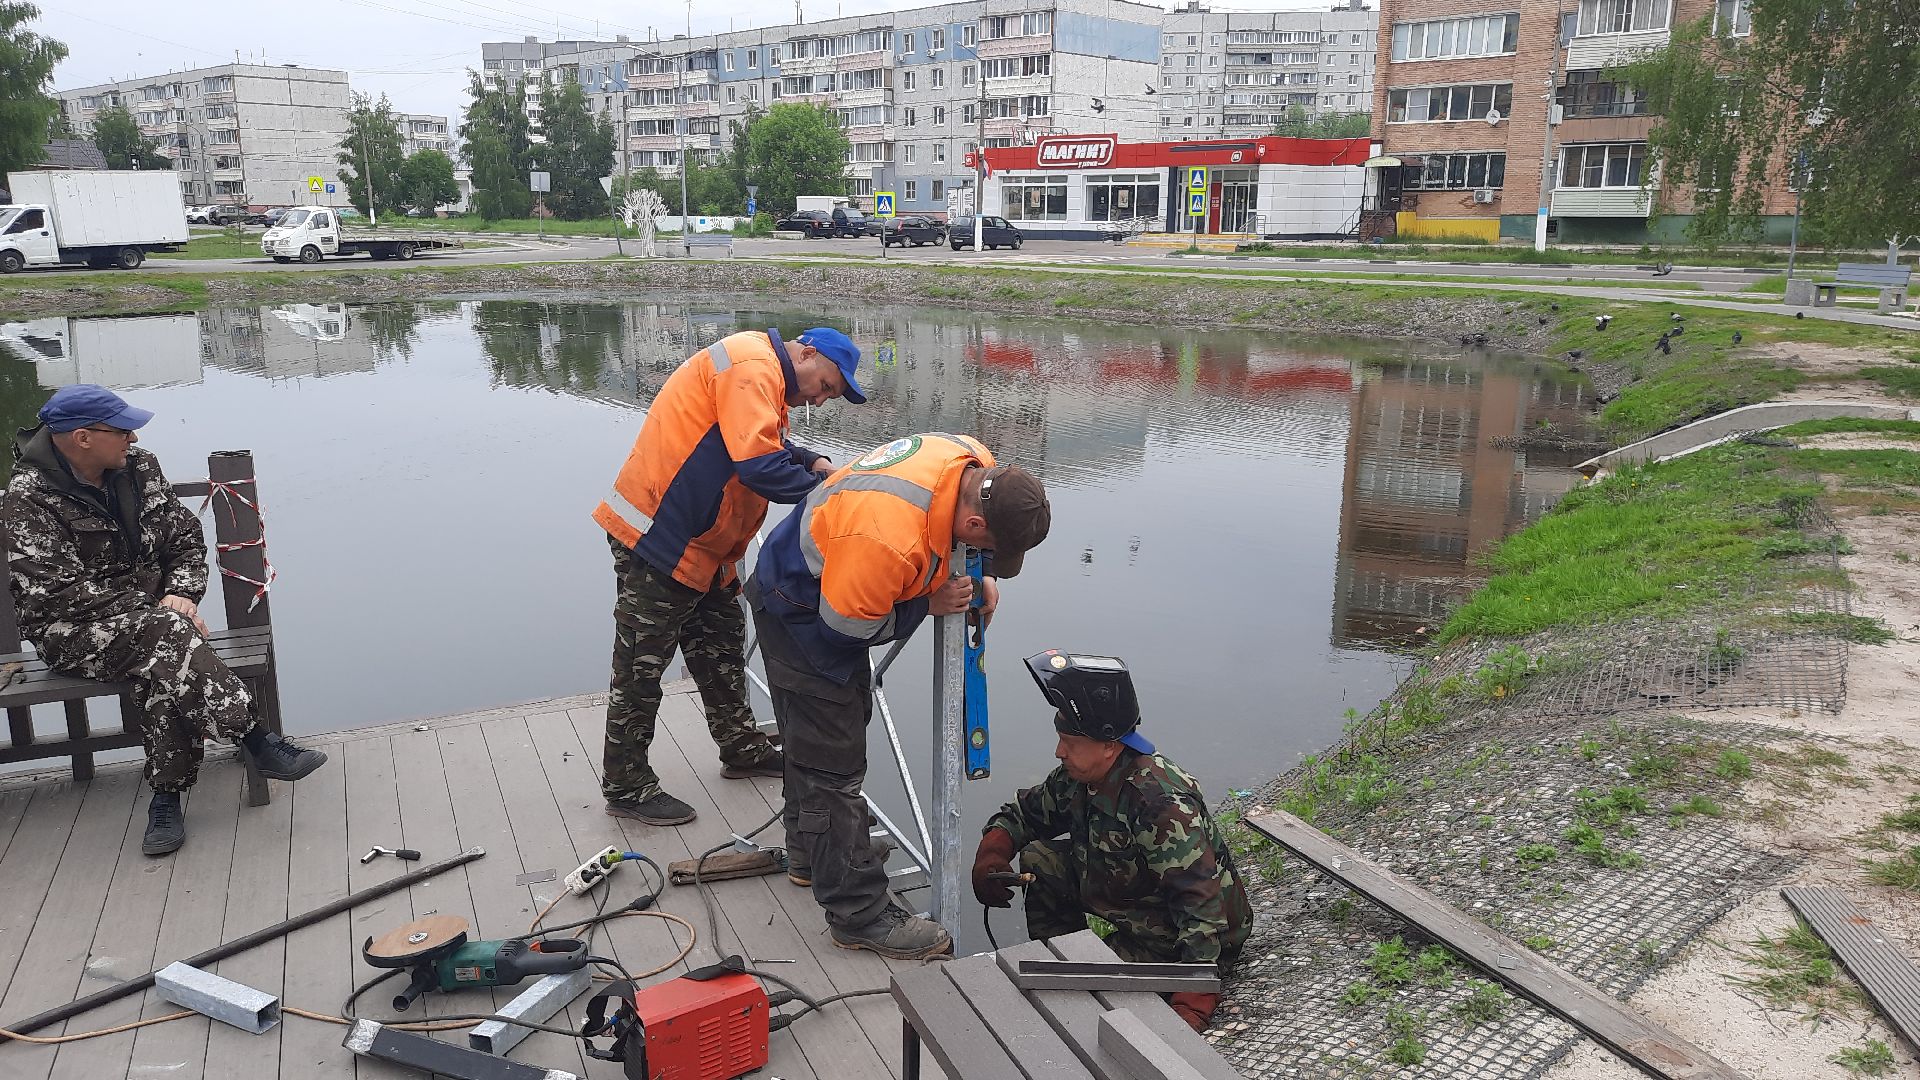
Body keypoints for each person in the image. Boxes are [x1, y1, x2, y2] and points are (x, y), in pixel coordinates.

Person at [748, 433, 1051, 959]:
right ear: (975, 524)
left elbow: (946, 541)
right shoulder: (888, 537)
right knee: (831, 765)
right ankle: (857, 912)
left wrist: (977, 576)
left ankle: (810, 854)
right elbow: (842, 631)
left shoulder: (971, 456)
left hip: (832, 568)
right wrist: (927, 606)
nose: (982, 557)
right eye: (986, 550)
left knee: (822, 732)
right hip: (799, 606)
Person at [3, 385, 327, 857]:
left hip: (157, 629)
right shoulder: (28, 497)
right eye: (121, 430)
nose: (133, 439)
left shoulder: (138, 469)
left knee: (163, 667)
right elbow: (57, 594)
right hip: (70, 633)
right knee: (169, 641)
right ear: (82, 438)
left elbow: (184, 538)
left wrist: (182, 594)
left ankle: (167, 798)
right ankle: (256, 739)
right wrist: (159, 613)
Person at [592, 326, 866, 825]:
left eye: (832, 396)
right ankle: (626, 784)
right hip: (659, 537)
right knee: (641, 664)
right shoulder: (751, 365)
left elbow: (763, 442)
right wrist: (829, 496)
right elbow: (760, 465)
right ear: (807, 353)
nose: (823, 401)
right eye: (827, 386)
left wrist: (812, 461)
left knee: (720, 646)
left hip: (707, 548)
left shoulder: (765, 376)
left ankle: (741, 747)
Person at [972, 650, 1252, 1032]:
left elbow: (1200, 906)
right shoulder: (1079, 777)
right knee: (1040, 858)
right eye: (1060, 739)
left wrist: (1193, 1000)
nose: (1059, 751)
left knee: (1088, 995)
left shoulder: (1159, 803)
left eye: (1069, 741)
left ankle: (1087, 980)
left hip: (1175, 937)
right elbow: (1024, 814)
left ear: (1108, 745)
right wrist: (993, 853)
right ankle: (1067, 958)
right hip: (1133, 903)